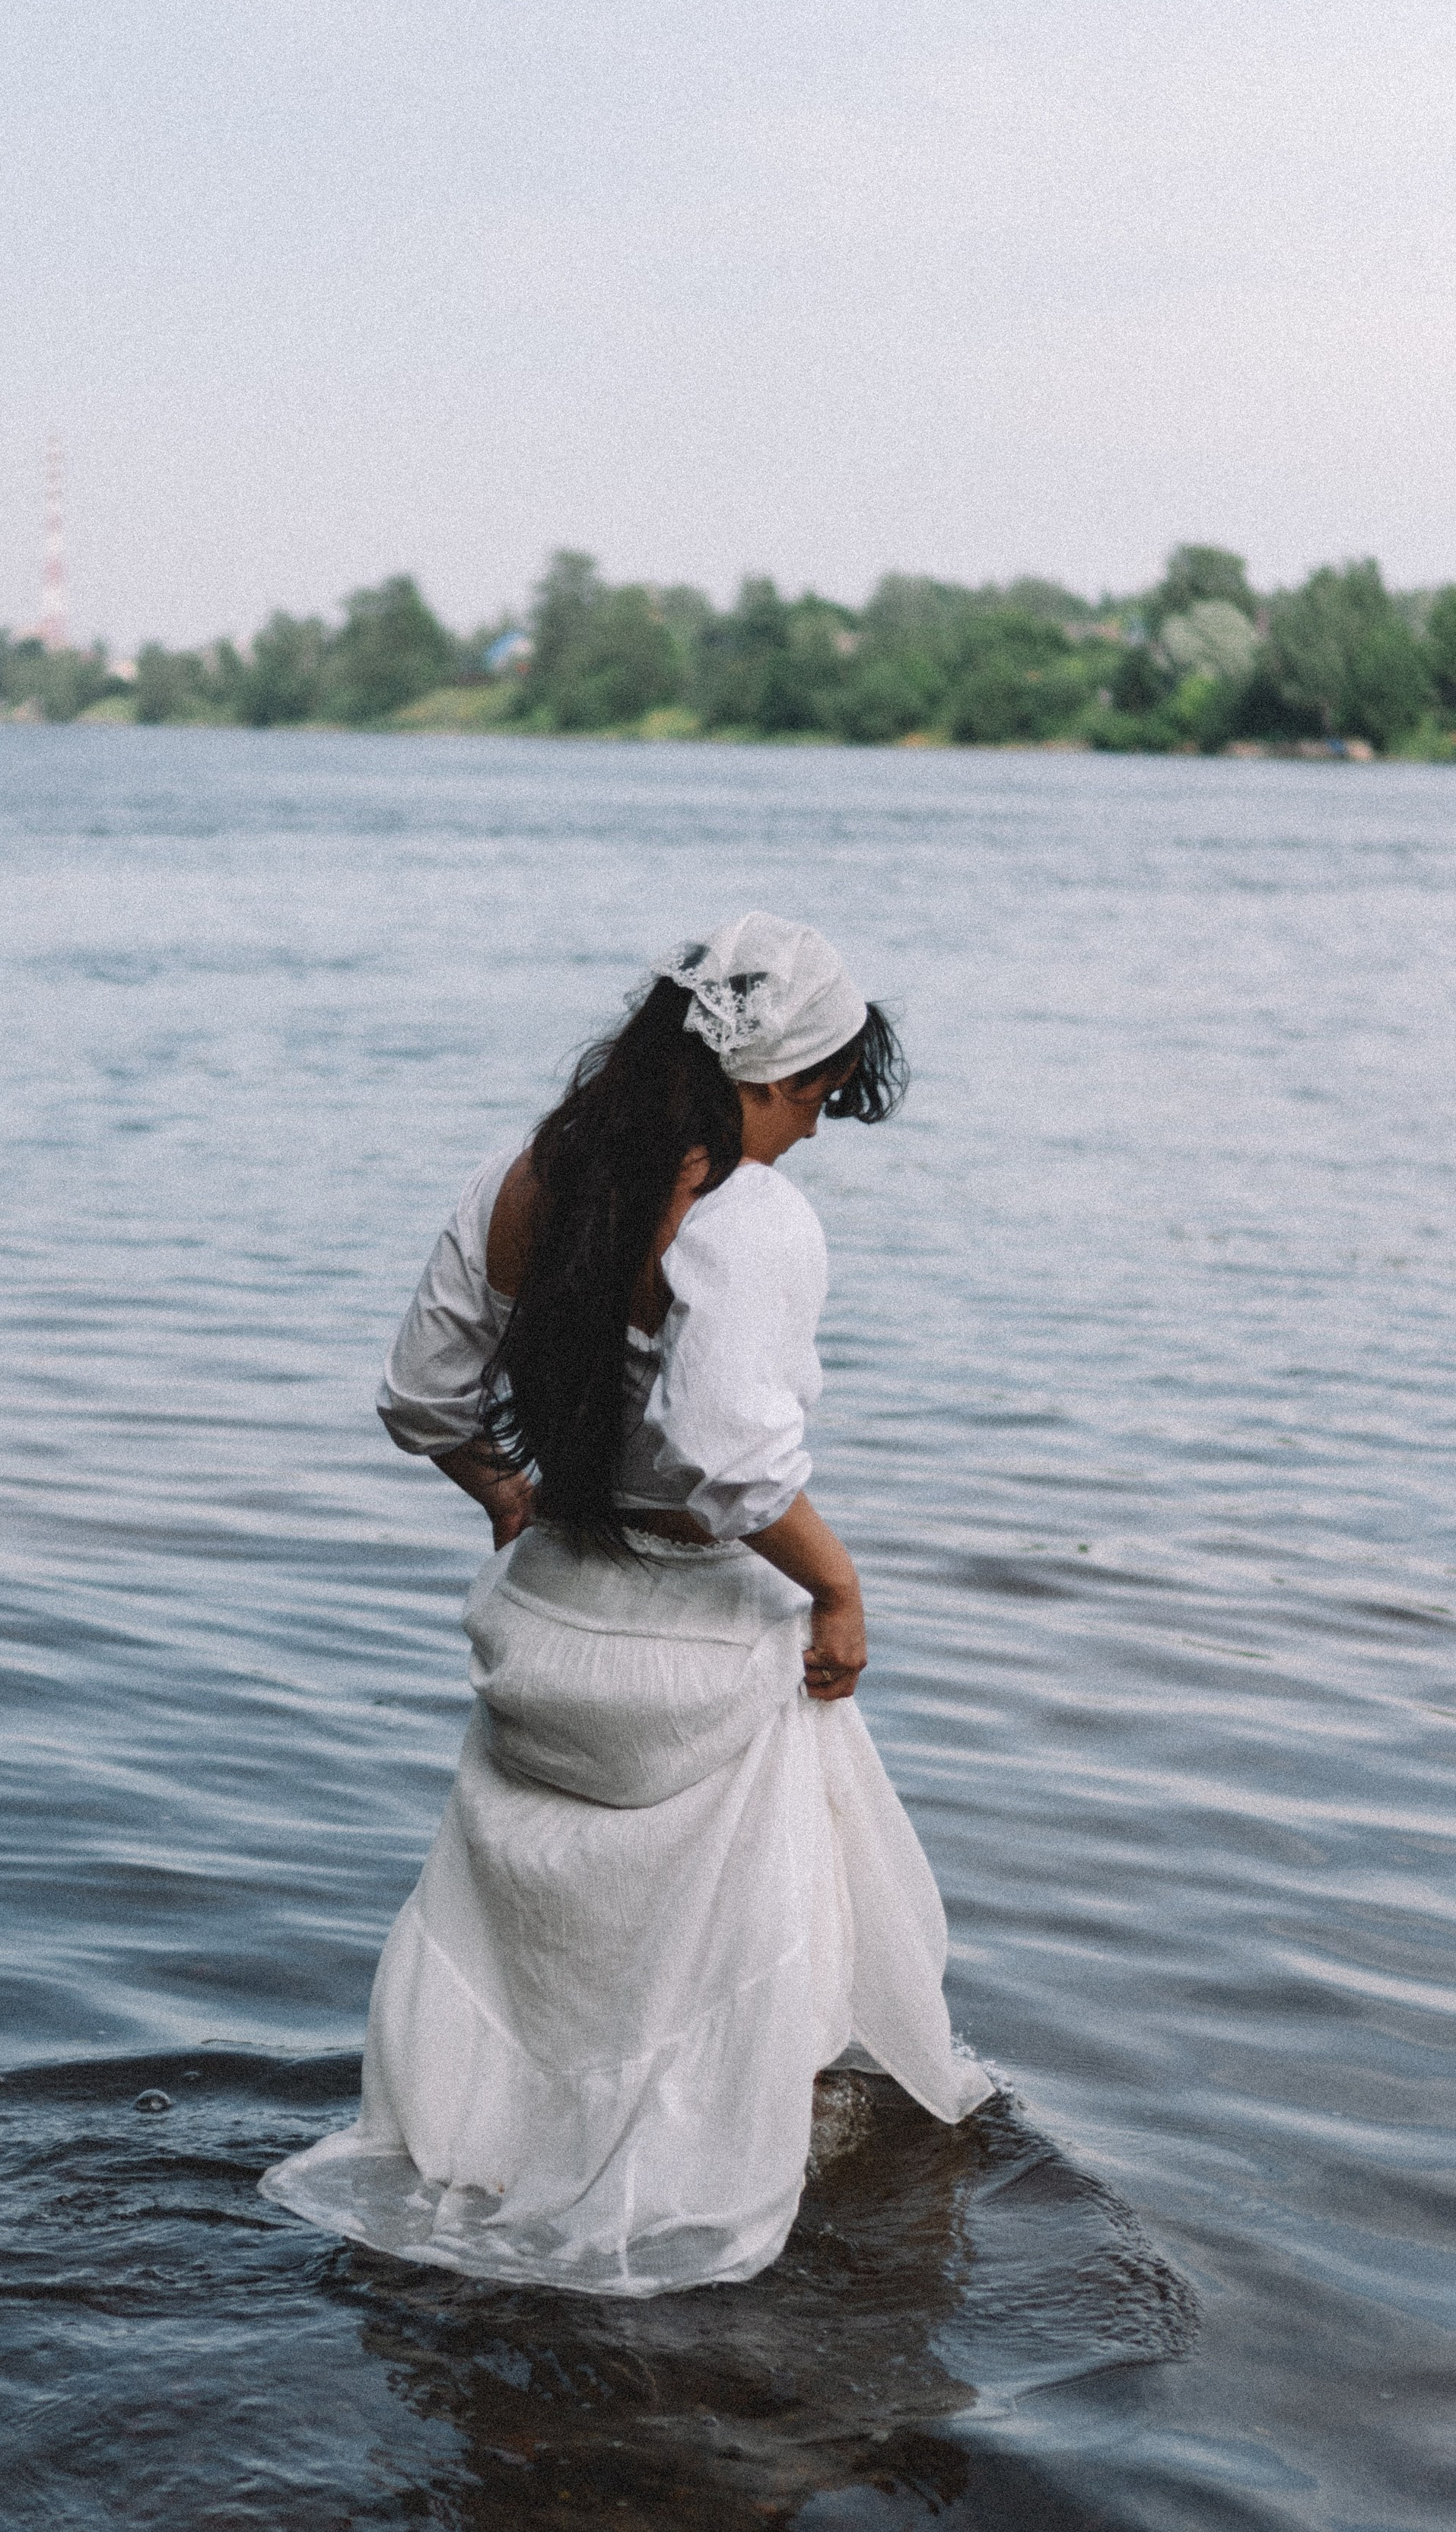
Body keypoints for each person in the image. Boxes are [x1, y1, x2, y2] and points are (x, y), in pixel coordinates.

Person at [262, 913, 993, 2295]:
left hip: (543, 1631)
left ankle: (492, 2165)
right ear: (766, 1080)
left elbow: (422, 1395)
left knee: (529, 1937)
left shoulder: (532, 1172)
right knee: (762, 1925)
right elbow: (729, 1457)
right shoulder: (756, 1216)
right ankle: (687, 2180)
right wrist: (838, 1587)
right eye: (822, 1097)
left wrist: (499, 1490)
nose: (820, 1132)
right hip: (692, 1649)